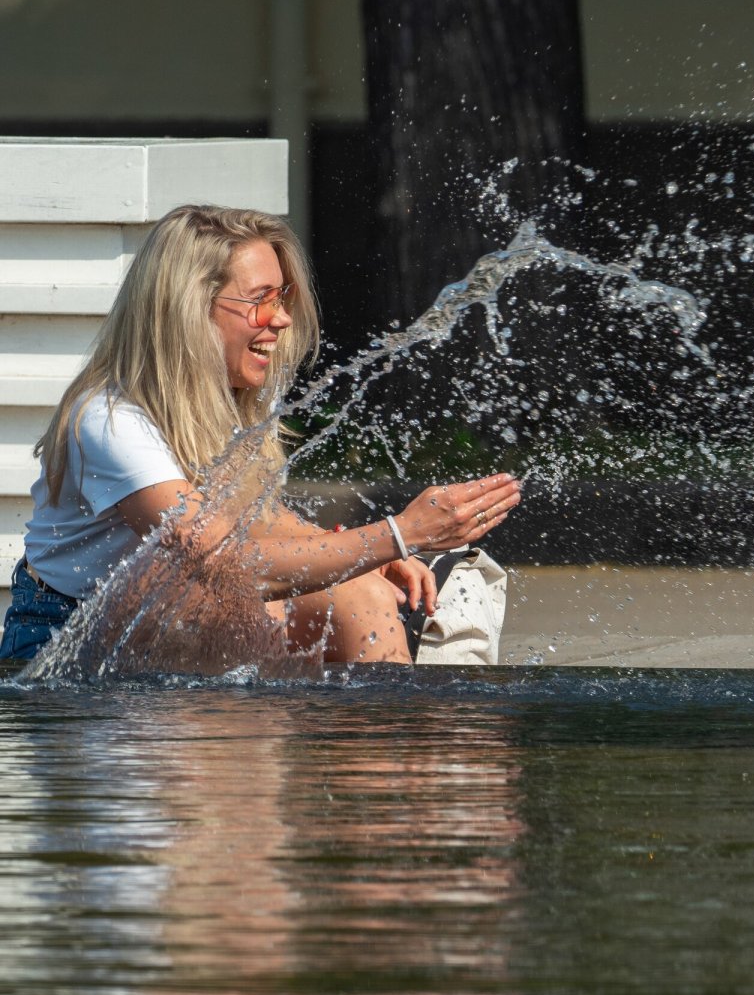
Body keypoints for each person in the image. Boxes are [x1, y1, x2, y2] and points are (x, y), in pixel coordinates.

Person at [1, 204, 522, 664]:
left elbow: (261, 520)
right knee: (223, 596)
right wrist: (400, 534)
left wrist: (373, 557)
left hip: (167, 620)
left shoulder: (236, 392)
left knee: (358, 590)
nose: (282, 320)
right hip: (60, 642)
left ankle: (386, 762)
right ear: (190, 310)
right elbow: (217, 559)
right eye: (261, 299)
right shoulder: (111, 419)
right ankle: (271, 751)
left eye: (284, 297)